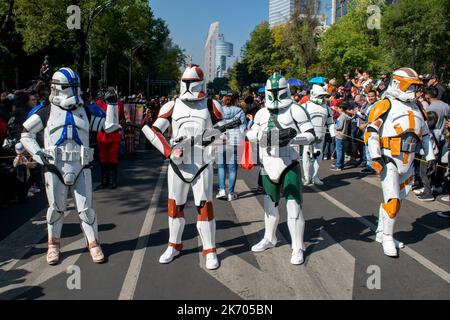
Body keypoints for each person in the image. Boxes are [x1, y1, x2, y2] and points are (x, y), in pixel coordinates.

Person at [20, 67, 120, 265]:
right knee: (56, 208)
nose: (74, 92)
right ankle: (53, 244)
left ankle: (93, 243)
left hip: (81, 166)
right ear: (58, 88)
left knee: (86, 209)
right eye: (69, 87)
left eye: (76, 87)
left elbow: (109, 127)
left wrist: (112, 105)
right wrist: (39, 155)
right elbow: (26, 134)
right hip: (54, 167)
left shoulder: (87, 111)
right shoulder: (46, 112)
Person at [142, 64, 223, 270]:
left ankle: (210, 249)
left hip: (201, 163)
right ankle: (173, 245)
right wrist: (169, 151)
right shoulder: (171, 106)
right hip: (178, 164)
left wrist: (210, 142)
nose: (188, 86)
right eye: (185, 82)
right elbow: (153, 131)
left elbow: (222, 133)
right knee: (174, 206)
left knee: (204, 206)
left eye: (192, 82)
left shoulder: (212, 105)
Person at [364, 67, 435, 257]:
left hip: (409, 160)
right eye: (410, 85)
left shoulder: (418, 107)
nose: (413, 90)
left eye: (415, 86)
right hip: (389, 158)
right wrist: (375, 156)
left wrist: (430, 157)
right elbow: (371, 131)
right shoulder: (385, 104)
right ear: (397, 84)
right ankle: (387, 236)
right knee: (393, 200)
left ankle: (381, 232)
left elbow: (426, 135)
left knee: (397, 198)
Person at [246, 73, 316, 265]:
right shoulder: (261, 113)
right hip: (268, 163)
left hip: (289, 162)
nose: (275, 95)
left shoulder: (296, 110)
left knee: (293, 207)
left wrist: (292, 138)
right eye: (272, 91)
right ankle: (270, 238)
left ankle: (297, 246)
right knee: (269, 206)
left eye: (278, 91)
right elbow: (250, 132)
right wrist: (260, 135)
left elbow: (310, 135)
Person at [302, 85, 336, 185]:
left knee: (318, 155)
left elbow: (330, 122)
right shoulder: (305, 106)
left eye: (323, 97)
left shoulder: (327, 108)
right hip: (308, 134)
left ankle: (315, 176)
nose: (322, 99)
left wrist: (333, 134)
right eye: (320, 96)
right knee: (307, 154)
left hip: (321, 134)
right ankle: (307, 177)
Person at [216, 92, 246, 201]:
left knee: (221, 166)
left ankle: (222, 190)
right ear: (236, 100)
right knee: (232, 168)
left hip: (221, 140)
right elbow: (243, 129)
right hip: (234, 141)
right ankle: (231, 193)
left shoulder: (219, 111)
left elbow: (215, 126)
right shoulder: (240, 111)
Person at [331, 100, 353, 171]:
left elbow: (339, 127)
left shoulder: (341, 117)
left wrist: (334, 124)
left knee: (339, 150)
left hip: (339, 135)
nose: (337, 109)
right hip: (344, 135)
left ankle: (338, 165)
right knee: (342, 150)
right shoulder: (346, 116)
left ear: (341, 108)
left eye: (338, 108)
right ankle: (341, 165)